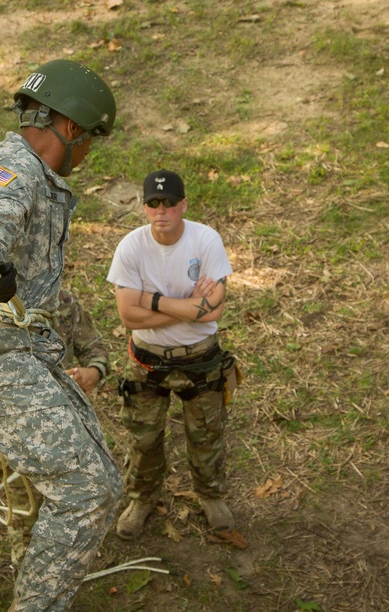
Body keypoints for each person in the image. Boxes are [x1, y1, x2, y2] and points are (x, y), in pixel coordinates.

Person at [0, 59, 123, 611]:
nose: (88, 155)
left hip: (24, 352)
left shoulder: (39, 178)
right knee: (88, 490)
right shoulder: (14, 166)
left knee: (98, 479)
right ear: (70, 128)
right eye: (91, 141)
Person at [106, 169, 240, 540]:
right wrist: (186, 305)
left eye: (168, 203)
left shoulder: (206, 240)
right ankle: (143, 498)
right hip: (148, 360)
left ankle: (210, 495)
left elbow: (213, 311)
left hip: (200, 358)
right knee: (144, 439)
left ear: (184, 204)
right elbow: (128, 315)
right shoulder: (131, 247)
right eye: (152, 203)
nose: (160, 210)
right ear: (144, 207)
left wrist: (152, 300)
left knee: (207, 433)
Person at [0, 288, 111, 566]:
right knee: (27, 508)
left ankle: (67, 558)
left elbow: (95, 348)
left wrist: (93, 371)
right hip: (17, 431)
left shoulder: (63, 302)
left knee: (74, 497)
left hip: (67, 425)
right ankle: (27, 569)